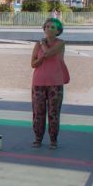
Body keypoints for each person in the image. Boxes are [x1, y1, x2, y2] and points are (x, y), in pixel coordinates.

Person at [30, 18, 69, 149]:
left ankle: (53, 139)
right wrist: (40, 56)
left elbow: (49, 52)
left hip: (55, 83)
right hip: (38, 82)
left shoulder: (61, 43)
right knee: (38, 111)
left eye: (52, 27)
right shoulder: (38, 44)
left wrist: (42, 45)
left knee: (53, 112)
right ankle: (37, 138)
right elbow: (33, 63)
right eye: (46, 27)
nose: (48, 29)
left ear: (58, 30)